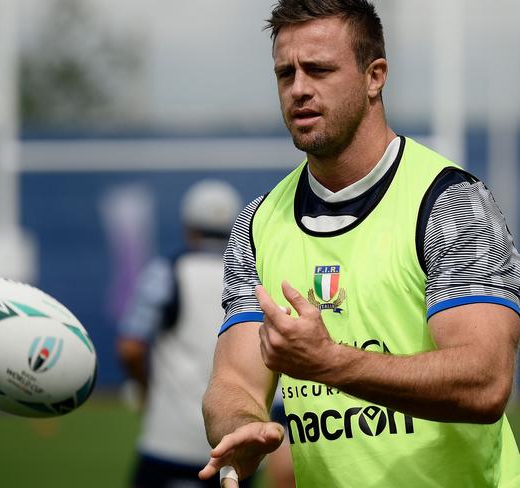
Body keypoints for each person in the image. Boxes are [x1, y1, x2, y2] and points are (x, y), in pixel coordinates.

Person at [198, 1, 520, 487]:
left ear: (375, 77)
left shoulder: (448, 201)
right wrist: (242, 424)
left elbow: (485, 381)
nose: (299, 88)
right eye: (286, 73)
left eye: (320, 70)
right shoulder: (258, 222)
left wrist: (329, 362)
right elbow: (234, 382)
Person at [117, 179, 258, 488]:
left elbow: (131, 347)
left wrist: (145, 390)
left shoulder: (167, 271)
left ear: (189, 226)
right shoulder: (255, 275)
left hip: (169, 441)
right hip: (234, 446)